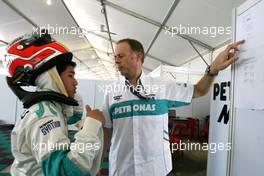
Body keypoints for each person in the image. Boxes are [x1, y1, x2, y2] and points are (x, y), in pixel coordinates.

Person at [102, 38, 245, 176]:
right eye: (115, 57)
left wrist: (213, 69)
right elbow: (107, 130)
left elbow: (199, 90)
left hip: (155, 169)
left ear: (138, 56)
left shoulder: (162, 86)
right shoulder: (111, 91)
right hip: (121, 169)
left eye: (121, 56)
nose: (116, 61)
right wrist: (99, 162)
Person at [3, 31, 105, 176]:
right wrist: (92, 125)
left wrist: (77, 106)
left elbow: (72, 117)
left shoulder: (49, 108)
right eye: (71, 75)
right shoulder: (45, 116)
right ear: (52, 77)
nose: (75, 82)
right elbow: (65, 171)